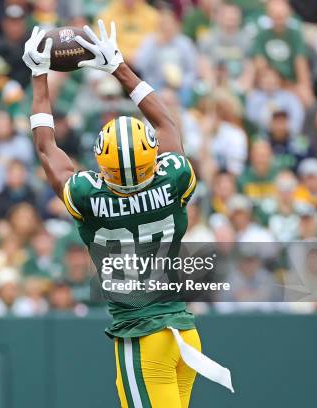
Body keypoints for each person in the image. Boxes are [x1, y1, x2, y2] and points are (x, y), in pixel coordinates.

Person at [22, 20, 233, 408]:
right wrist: (118, 66)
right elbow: (167, 124)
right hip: (184, 334)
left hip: (143, 340)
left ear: (103, 164)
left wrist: (39, 77)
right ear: (153, 156)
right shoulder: (174, 179)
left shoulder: (89, 196)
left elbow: (47, 150)